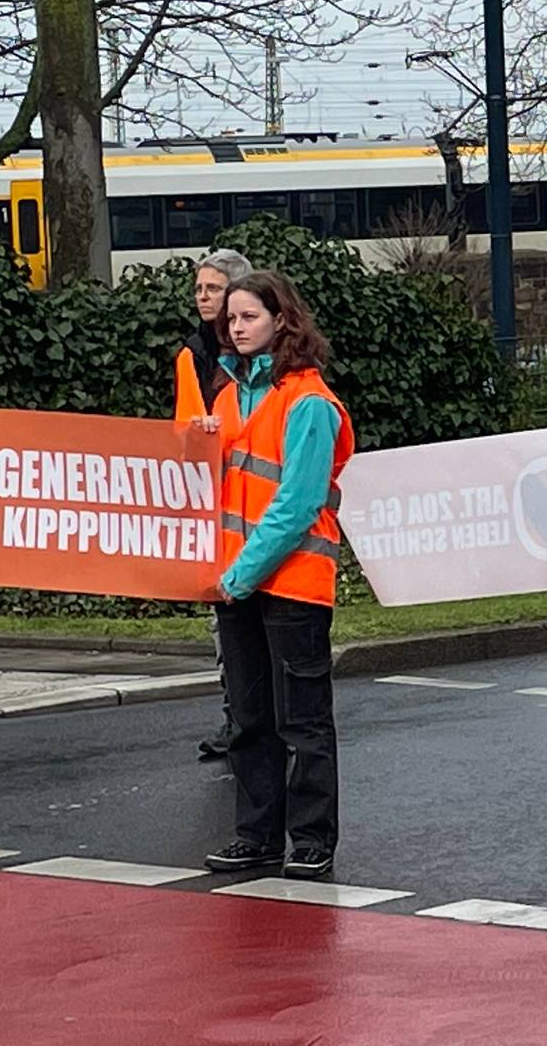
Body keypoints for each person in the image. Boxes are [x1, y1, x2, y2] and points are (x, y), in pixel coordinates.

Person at [198, 271, 357, 881]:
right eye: (230, 320)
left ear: (281, 321)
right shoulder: (228, 396)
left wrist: (238, 574)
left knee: (302, 720)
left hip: (289, 582)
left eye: (248, 318)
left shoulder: (308, 401)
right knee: (250, 718)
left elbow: (297, 502)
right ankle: (257, 835)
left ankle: (312, 839)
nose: (236, 328)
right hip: (237, 580)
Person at [180, 248, 255, 762]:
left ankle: (256, 718)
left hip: (256, 502)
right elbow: (183, 425)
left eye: (212, 289)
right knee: (225, 620)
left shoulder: (259, 352)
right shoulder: (194, 354)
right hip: (219, 502)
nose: (202, 298)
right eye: (199, 289)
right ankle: (239, 716)